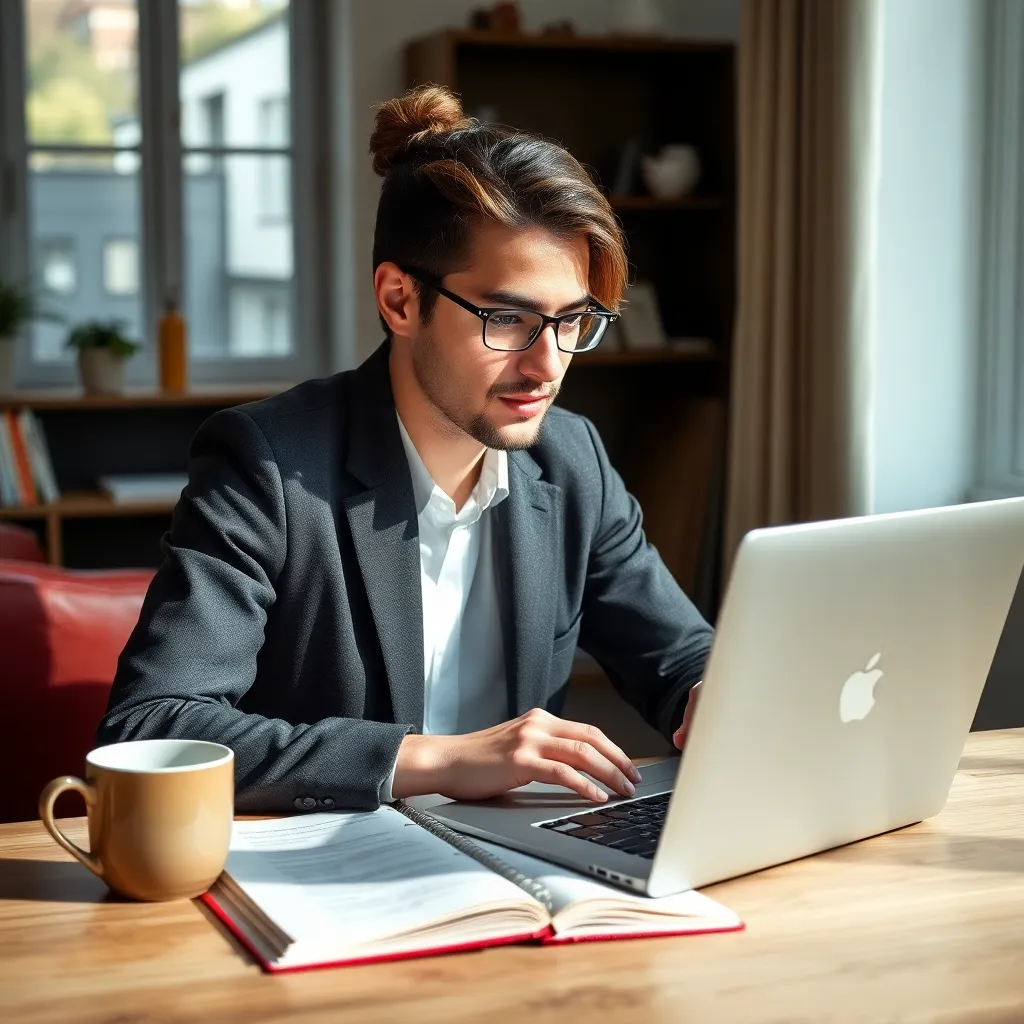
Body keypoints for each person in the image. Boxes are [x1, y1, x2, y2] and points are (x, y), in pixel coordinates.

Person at [98, 85, 712, 814]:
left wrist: (713, 697)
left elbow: (679, 657)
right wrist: (437, 760)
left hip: (519, 866)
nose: (549, 365)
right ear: (399, 300)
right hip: (330, 874)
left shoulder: (569, 460)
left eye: (574, 320)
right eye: (508, 318)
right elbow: (152, 727)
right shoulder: (268, 466)